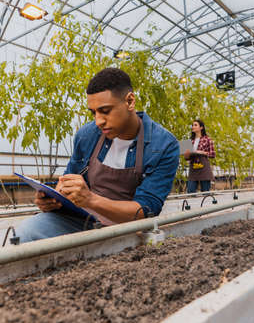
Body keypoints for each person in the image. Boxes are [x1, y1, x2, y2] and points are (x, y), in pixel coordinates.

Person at [17, 68, 179, 243]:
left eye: (105, 111)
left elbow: (146, 211)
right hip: (86, 220)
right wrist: (54, 199)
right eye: (93, 112)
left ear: (130, 101)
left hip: (128, 229)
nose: (98, 121)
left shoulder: (163, 145)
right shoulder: (87, 135)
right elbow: (69, 180)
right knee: (27, 232)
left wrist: (90, 200)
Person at [184, 119, 216, 193]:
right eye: (192, 125)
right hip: (193, 168)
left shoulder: (208, 139)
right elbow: (186, 158)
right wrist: (186, 153)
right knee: (190, 192)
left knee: (205, 193)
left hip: (204, 168)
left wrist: (202, 152)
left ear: (201, 127)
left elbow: (213, 154)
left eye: (195, 125)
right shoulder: (190, 141)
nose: (193, 127)